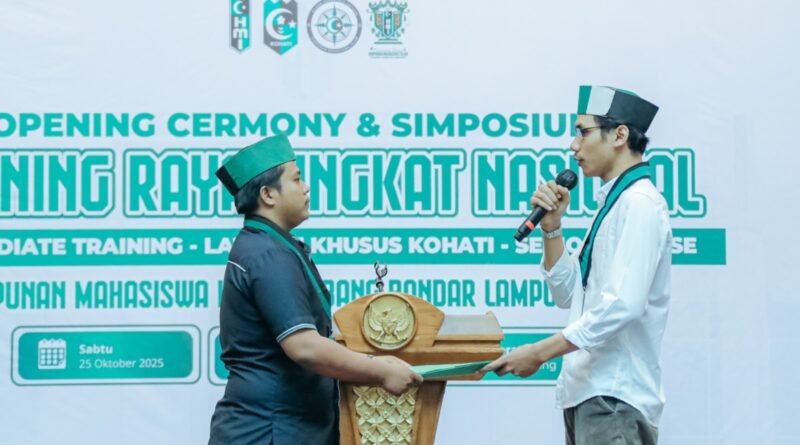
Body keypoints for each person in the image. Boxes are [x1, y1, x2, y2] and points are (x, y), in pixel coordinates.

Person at [483, 86, 671, 444]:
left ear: (619, 135)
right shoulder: (613, 204)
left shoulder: (640, 204)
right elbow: (569, 295)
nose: (573, 146)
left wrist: (539, 352)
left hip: (615, 395)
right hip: (590, 395)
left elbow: (623, 305)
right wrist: (552, 228)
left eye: (583, 132)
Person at [208, 135, 422, 445]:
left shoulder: (270, 246)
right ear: (268, 194)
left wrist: (373, 361)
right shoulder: (268, 254)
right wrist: (379, 371)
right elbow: (304, 346)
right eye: (296, 179)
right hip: (269, 432)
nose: (306, 187)